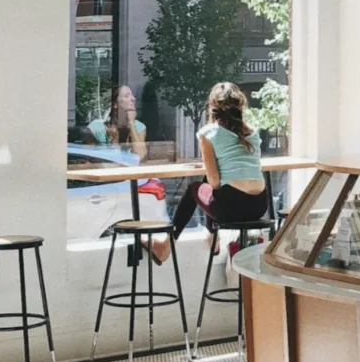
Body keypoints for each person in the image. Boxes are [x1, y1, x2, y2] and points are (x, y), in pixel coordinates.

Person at [148, 82, 267, 264]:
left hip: (231, 209)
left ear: (213, 107)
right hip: (259, 206)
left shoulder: (209, 133)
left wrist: (211, 168)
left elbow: (214, 181)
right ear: (240, 106)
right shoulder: (253, 133)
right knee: (211, 187)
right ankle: (212, 237)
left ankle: (166, 245)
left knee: (194, 188)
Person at [83, 85, 147, 160]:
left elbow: (141, 155)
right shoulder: (96, 128)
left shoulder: (139, 127)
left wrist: (131, 123)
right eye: (127, 96)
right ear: (115, 104)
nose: (133, 99)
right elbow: (89, 159)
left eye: (133, 96)